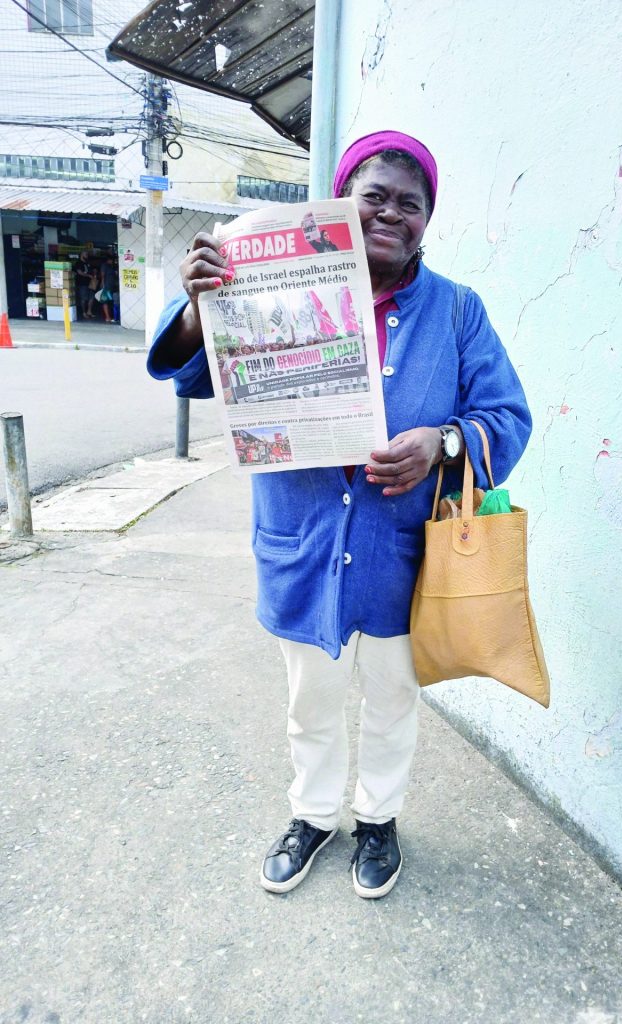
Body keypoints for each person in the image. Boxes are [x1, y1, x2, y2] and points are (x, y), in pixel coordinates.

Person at [146, 130, 532, 899]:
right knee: (310, 703)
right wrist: (199, 307)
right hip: (306, 543)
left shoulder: (458, 312)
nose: (391, 213)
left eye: (410, 204)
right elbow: (192, 374)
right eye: (374, 196)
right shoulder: (280, 279)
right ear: (342, 203)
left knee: (393, 702)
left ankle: (378, 820)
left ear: (428, 219)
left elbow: (508, 415)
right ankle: (313, 816)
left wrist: (443, 441)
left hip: (401, 554)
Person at [74, 250, 92, 319]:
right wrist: (88, 276)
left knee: (91, 297)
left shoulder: (87, 263)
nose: (87, 255)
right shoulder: (78, 263)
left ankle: (89, 311)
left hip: (90, 283)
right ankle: (83, 312)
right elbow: (79, 272)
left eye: (87, 254)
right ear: (81, 254)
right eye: (85, 254)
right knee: (83, 298)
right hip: (82, 283)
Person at [100, 256, 117, 323]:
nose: (113, 261)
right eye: (112, 260)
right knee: (105, 301)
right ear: (108, 260)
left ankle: (109, 316)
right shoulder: (104, 266)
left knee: (109, 302)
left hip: (111, 287)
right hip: (106, 287)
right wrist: (103, 285)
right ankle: (107, 317)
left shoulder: (111, 266)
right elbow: (102, 275)